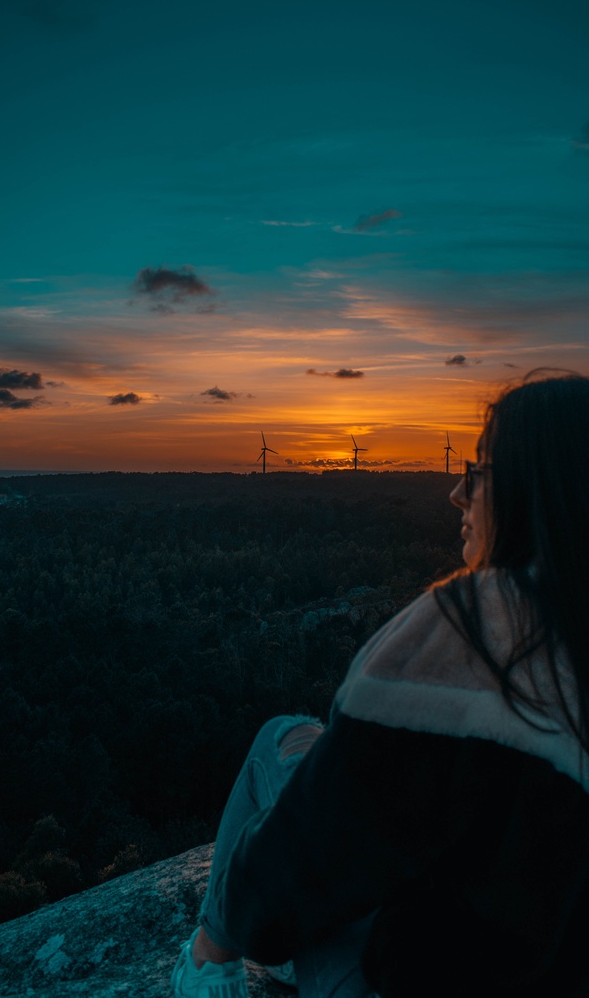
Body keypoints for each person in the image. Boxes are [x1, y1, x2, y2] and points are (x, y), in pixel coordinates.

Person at [170, 372, 589, 998]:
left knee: (279, 741)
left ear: (532, 491)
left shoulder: (469, 628)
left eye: (478, 473)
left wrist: (248, 921)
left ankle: (206, 961)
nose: (456, 493)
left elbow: (301, 862)